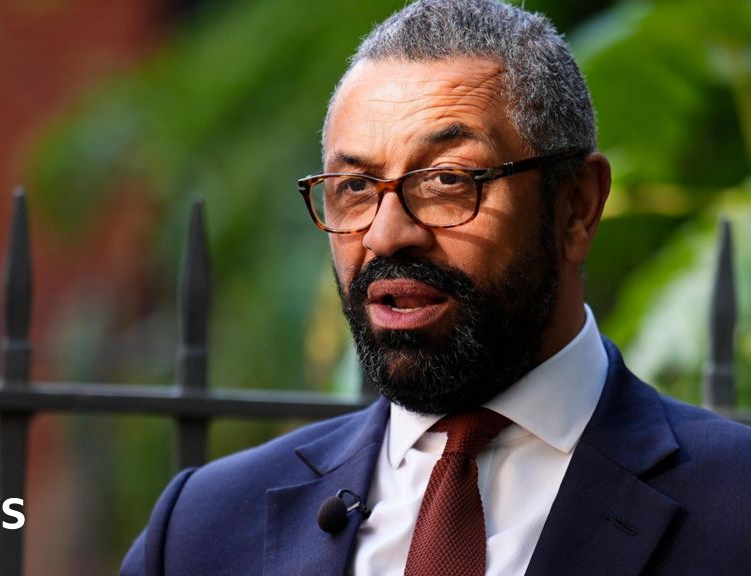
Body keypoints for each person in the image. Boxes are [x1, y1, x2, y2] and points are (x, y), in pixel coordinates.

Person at [120, 1, 751, 574]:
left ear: (576, 206)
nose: (386, 234)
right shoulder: (202, 530)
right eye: (355, 188)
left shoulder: (734, 506)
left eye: (448, 180)